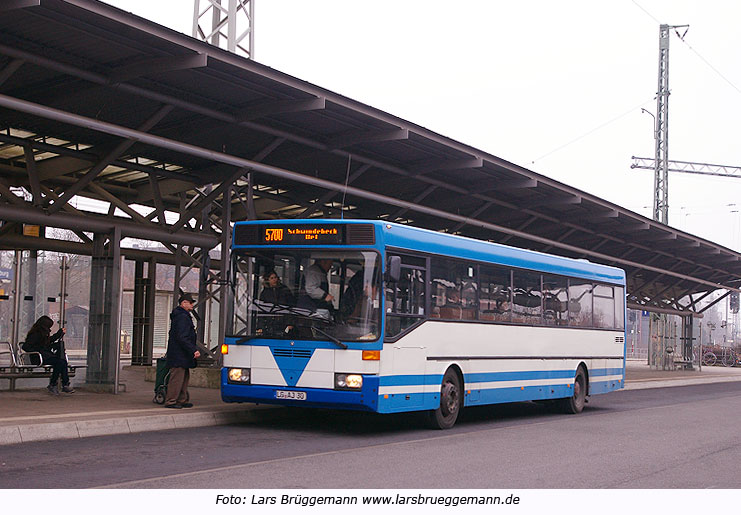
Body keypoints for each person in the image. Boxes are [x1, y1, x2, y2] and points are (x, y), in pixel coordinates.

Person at [164, 293, 200, 409]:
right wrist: (193, 350)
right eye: (190, 303)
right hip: (179, 354)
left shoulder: (181, 315)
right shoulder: (182, 317)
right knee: (177, 378)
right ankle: (171, 401)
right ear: (184, 303)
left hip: (181, 354)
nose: (192, 305)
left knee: (183, 377)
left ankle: (181, 399)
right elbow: (182, 337)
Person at [24, 315, 74, 395]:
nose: (49, 329)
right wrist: (38, 351)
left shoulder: (42, 333)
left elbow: (47, 342)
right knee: (60, 362)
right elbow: (26, 346)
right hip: (38, 357)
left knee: (62, 362)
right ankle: (54, 384)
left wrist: (59, 334)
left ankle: (64, 384)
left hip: (45, 356)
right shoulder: (35, 334)